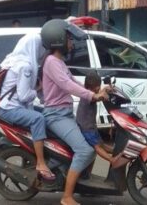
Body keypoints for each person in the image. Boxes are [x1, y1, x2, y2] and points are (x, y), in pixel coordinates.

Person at [41, 19, 108, 205]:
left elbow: (74, 82)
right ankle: (67, 197)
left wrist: (96, 92)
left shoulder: (58, 62)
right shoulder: (52, 62)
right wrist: (91, 96)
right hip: (56, 115)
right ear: (58, 40)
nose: (71, 44)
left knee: (91, 143)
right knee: (85, 150)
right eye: (69, 40)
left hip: (64, 113)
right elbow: (67, 85)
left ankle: (83, 183)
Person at [0, 33, 55, 180]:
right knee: (38, 119)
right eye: (41, 47)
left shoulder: (16, 61)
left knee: (49, 113)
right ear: (34, 47)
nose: (43, 50)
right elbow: (24, 96)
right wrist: (37, 90)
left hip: (13, 106)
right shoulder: (25, 66)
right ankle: (41, 163)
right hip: (10, 109)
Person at [77, 72, 116, 163]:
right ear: (96, 87)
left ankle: (116, 152)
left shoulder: (88, 92)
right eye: (99, 86)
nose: (99, 88)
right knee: (97, 146)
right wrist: (104, 93)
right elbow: (98, 97)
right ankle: (112, 160)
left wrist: (106, 89)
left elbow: (99, 95)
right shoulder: (88, 96)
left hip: (91, 127)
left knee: (101, 143)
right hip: (86, 128)